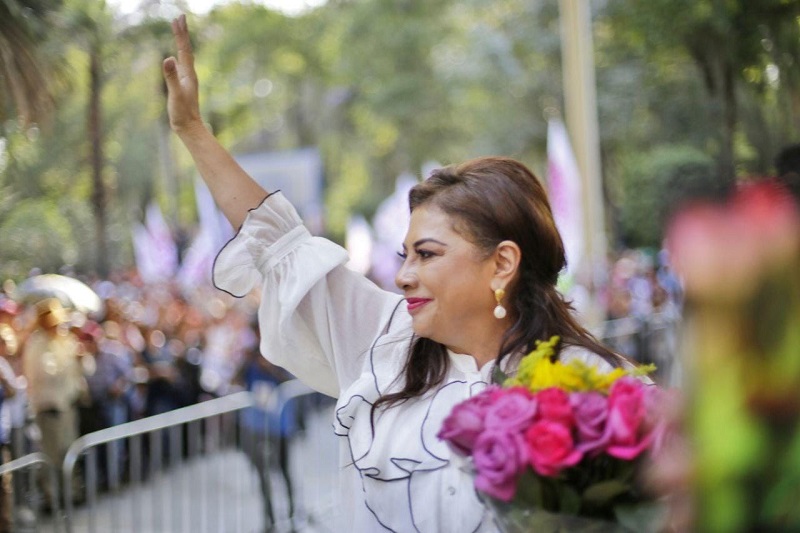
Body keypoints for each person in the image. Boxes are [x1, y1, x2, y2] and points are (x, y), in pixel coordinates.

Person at [162, 15, 631, 532]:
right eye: (404, 255)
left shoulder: (596, 387)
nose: (404, 275)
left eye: (427, 255)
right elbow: (279, 244)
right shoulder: (384, 342)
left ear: (502, 263)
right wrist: (192, 131)